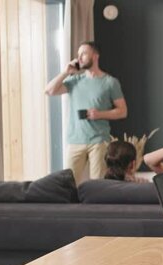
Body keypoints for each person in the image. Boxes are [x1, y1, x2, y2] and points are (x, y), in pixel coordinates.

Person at [45, 41, 128, 185]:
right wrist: (65, 72)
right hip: (75, 140)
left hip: (99, 141)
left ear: (95, 56)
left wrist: (100, 114)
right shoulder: (74, 80)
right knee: (67, 185)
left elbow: (123, 112)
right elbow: (49, 91)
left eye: (83, 53)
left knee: (99, 186)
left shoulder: (110, 82)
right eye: (78, 55)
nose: (79, 58)